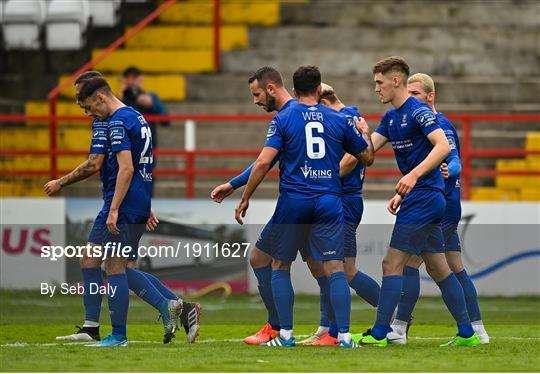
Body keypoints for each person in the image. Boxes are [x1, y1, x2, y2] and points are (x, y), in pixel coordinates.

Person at [210, 67, 375, 346]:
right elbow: (366, 156)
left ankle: (283, 331)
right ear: (318, 90)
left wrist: (244, 195)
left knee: (277, 264)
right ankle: (340, 333)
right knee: (331, 267)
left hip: (295, 202)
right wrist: (364, 134)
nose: (255, 101)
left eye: (256, 94)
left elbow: (265, 161)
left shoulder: (284, 118)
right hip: (328, 201)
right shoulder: (337, 118)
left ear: (289, 89)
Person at [46, 74, 198, 346]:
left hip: (123, 202)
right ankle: (97, 326)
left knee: (116, 266)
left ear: (100, 97)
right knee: (94, 260)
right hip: (133, 200)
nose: (86, 111)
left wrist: (112, 206)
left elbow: (122, 167)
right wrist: (144, 202)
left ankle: (124, 332)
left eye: (87, 105)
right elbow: (142, 165)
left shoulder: (117, 122)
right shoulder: (135, 117)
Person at [354, 56, 480, 347]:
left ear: (395, 80)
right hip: (421, 197)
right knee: (438, 267)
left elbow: (444, 145)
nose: (376, 89)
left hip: (425, 197)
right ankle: (467, 333)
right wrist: (357, 135)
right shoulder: (390, 118)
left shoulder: (418, 110)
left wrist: (411, 176)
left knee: (391, 264)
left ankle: (382, 332)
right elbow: (366, 153)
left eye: (379, 83)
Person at [385, 73, 489, 344]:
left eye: (416, 94)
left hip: (440, 205)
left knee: (410, 262)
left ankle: (398, 327)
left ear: (430, 96)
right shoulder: (414, 123)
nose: (411, 99)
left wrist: (446, 171)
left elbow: (454, 161)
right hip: (436, 202)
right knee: (451, 266)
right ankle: (475, 329)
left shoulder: (438, 123)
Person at [297, 83, 380, 346]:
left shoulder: (345, 119)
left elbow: (350, 160)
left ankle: (393, 314)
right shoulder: (349, 116)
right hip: (338, 200)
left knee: (343, 270)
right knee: (328, 267)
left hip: (344, 201)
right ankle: (326, 327)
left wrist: (317, 178)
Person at [120, 66, 169, 149]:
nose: (131, 82)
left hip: (147, 147)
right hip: (126, 146)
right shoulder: (119, 99)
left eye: (134, 78)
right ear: (123, 80)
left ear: (141, 79)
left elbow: (166, 121)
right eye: (128, 78)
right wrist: (120, 100)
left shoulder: (151, 97)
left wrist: (152, 105)